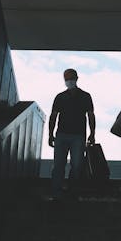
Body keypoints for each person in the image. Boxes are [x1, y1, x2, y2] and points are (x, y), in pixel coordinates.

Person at [48, 68, 95, 200]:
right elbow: (53, 116)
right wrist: (51, 134)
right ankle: (58, 192)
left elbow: (91, 115)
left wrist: (92, 133)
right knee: (59, 165)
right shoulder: (60, 97)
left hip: (77, 136)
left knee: (77, 165)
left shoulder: (85, 96)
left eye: (71, 78)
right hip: (63, 135)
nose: (69, 81)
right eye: (67, 78)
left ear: (76, 78)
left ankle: (71, 191)